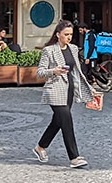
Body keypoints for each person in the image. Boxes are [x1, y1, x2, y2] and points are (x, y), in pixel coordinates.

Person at [34, 20, 95, 168]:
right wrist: (54, 71)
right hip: (54, 90)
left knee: (58, 122)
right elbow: (40, 72)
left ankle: (40, 147)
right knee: (66, 121)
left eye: (71, 34)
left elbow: (77, 71)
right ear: (58, 35)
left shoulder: (73, 49)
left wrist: (89, 87)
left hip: (69, 90)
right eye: (66, 34)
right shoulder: (49, 50)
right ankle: (74, 157)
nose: (69, 37)